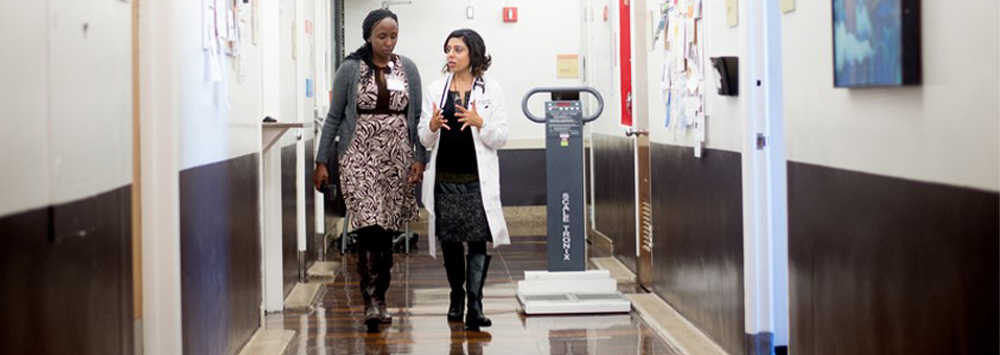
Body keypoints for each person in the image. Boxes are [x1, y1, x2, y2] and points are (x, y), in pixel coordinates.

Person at [313, 8, 425, 332]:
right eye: (382, 36)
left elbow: (415, 118)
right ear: (368, 37)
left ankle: (381, 296)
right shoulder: (350, 69)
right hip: (358, 156)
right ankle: (371, 301)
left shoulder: (408, 68)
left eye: (393, 36)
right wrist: (322, 161)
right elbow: (334, 117)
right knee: (367, 224)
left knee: (386, 228)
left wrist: (420, 158)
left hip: (397, 158)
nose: (388, 43)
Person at [418, 29, 509, 331]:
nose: (451, 55)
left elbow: (501, 137)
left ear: (473, 53)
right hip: (445, 178)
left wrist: (480, 122)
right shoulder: (435, 90)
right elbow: (425, 138)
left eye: (458, 49)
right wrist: (431, 126)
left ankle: (476, 305)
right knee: (451, 241)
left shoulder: (490, 89)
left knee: (478, 241)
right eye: (448, 49)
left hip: (476, 180)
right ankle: (456, 297)